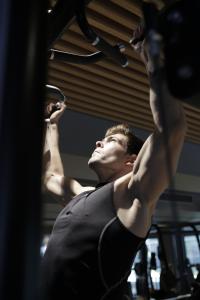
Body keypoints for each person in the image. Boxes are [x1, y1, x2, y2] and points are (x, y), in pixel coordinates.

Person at [39, 24, 187, 300]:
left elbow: (172, 126)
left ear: (132, 161)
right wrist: (51, 126)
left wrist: (152, 56)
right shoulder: (81, 196)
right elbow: (50, 177)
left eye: (112, 141)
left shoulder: (133, 195)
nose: (98, 142)